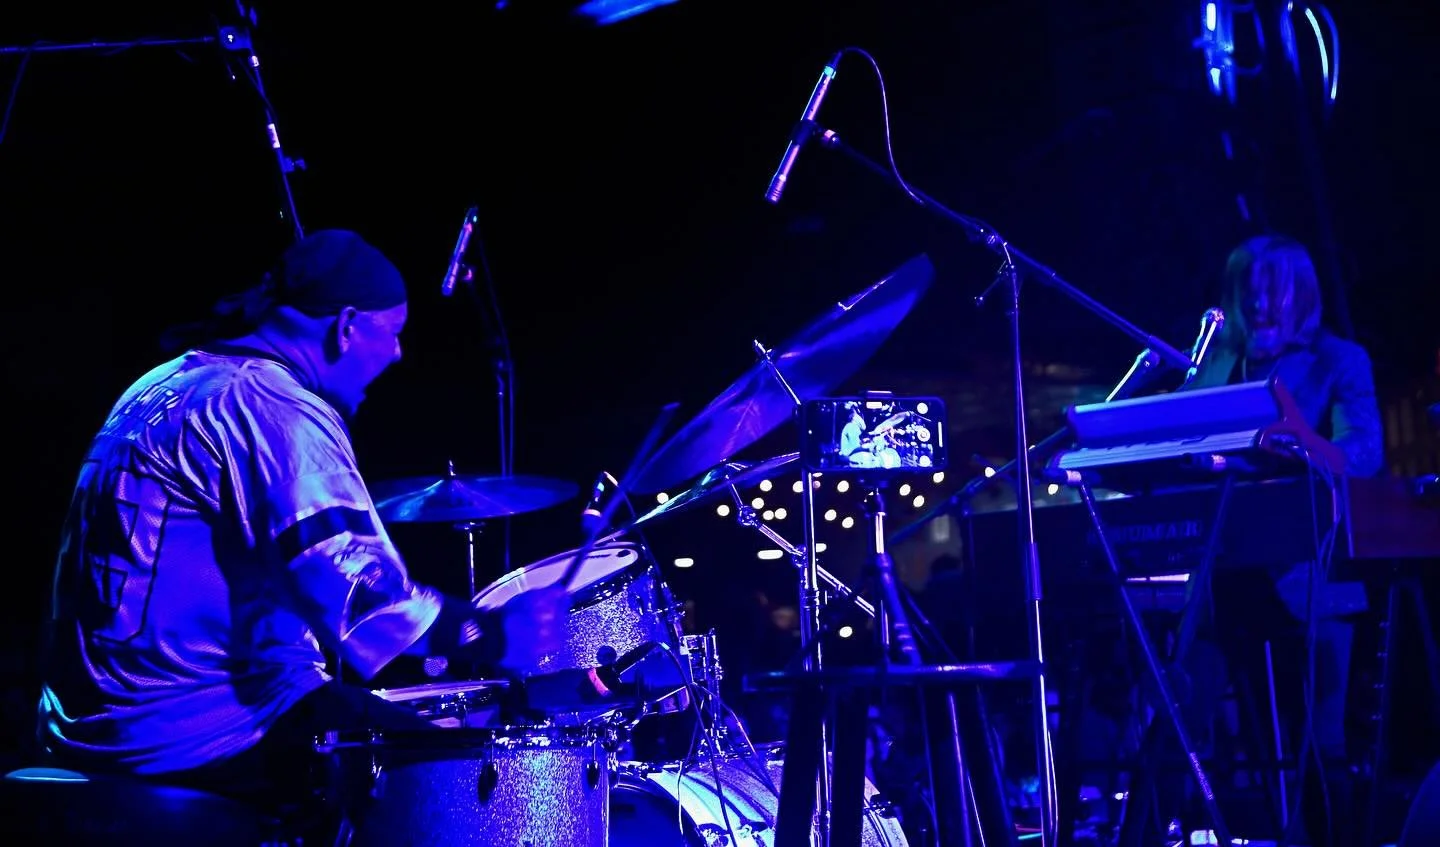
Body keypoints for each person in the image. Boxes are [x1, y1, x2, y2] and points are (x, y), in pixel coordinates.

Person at [34, 230, 566, 832]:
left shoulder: (157, 387)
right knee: (478, 786)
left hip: (85, 728)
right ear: (345, 327)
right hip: (190, 738)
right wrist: (485, 633)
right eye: (391, 333)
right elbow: (356, 590)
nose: (397, 355)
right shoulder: (269, 405)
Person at [1179, 233, 1384, 846]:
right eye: (1248, 289)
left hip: (1309, 574)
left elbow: (1364, 455)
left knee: (1317, 742)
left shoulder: (1337, 360)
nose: (1259, 303)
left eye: (1274, 289)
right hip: (1220, 573)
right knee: (1181, 716)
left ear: (1303, 294)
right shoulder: (1214, 364)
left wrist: (1297, 440)